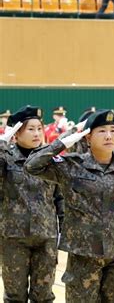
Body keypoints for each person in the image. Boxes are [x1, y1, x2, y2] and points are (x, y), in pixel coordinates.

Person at [25, 109, 114, 302]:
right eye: (101, 131)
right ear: (88, 137)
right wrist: (63, 142)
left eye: (113, 130)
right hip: (83, 256)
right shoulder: (71, 165)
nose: (108, 136)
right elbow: (32, 166)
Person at [0, 105, 62, 302]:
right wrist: (2, 144)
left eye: (39, 128)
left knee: (43, 295)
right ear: (17, 133)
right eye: (30, 129)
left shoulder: (49, 159)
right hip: (13, 237)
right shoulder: (6, 157)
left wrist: (63, 229)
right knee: (14, 296)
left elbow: (60, 196)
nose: (37, 133)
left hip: (46, 237)